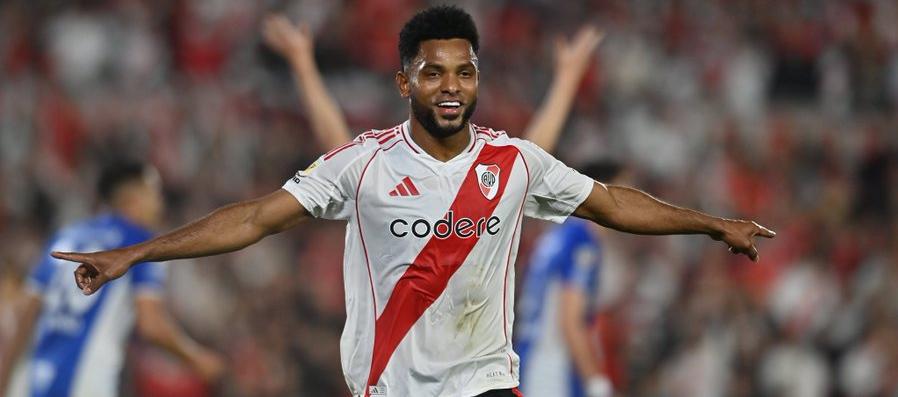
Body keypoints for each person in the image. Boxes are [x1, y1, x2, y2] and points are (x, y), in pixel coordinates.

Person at [51, 6, 774, 397]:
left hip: (486, 377)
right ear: (405, 82)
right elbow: (253, 217)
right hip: (389, 382)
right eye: (434, 73)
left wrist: (714, 225)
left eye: (465, 71)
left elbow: (611, 202)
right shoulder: (361, 162)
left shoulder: (514, 159)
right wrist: (136, 252)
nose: (452, 86)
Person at [0, 161, 224, 397]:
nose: (160, 203)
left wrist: (4, 383)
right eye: (154, 192)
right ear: (134, 197)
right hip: (86, 383)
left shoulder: (66, 236)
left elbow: (25, 313)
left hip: (31, 382)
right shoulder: (141, 243)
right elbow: (151, 324)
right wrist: (196, 357)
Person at [516, 161, 626, 397]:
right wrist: (597, 382)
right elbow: (570, 319)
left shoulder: (558, 234)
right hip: (552, 369)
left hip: (530, 358)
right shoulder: (582, 240)